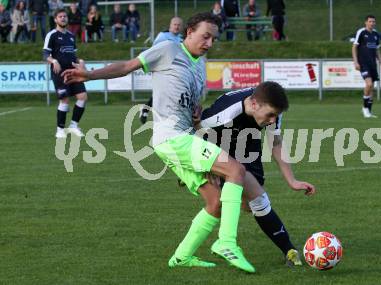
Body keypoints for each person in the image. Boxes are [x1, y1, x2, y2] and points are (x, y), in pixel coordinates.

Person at [62, 12, 256, 273]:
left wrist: (197, 115)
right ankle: (227, 242)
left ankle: (182, 256)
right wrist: (89, 75)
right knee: (236, 170)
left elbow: (193, 107)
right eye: (205, 36)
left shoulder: (200, 66)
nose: (209, 43)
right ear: (189, 32)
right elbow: (127, 66)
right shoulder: (167, 49)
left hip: (182, 139)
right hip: (171, 137)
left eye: (214, 39)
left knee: (216, 203)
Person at [195, 82, 316, 268]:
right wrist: (205, 165)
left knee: (249, 205)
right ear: (254, 105)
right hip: (216, 144)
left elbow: (274, 142)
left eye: (276, 115)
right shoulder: (224, 113)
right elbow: (197, 133)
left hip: (247, 143)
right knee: (254, 199)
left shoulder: (271, 109)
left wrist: (292, 180)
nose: (273, 120)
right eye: (270, 115)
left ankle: (224, 243)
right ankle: (289, 250)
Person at [43, 8, 87, 138]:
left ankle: (74, 125)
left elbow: (73, 55)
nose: (63, 18)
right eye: (60, 16)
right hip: (60, 74)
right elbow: (45, 54)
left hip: (73, 72)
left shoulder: (71, 36)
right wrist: (53, 60)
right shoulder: (52, 35)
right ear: (55, 19)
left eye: (65, 16)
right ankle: (60, 129)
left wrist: (80, 61)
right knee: (65, 100)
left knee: (82, 97)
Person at [139, 16, 183, 123]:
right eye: (174, 24)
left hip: (175, 71)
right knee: (163, 93)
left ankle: (147, 109)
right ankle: (150, 112)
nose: (176, 27)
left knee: (168, 93)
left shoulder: (182, 38)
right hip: (162, 69)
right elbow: (155, 51)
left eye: (178, 25)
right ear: (170, 26)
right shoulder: (163, 36)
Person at [352, 15, 381, 119]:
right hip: (363, 63)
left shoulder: (375, 34)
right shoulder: (361, 32)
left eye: (373, 21)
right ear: (366, 22)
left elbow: (377, 50)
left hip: (372, 64)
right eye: (370, 21)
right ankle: (365, 108)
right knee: (369, 84)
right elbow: (354, 47)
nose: (372, 23)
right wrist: (356, 62)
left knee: (372, 89)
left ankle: (369, 111)